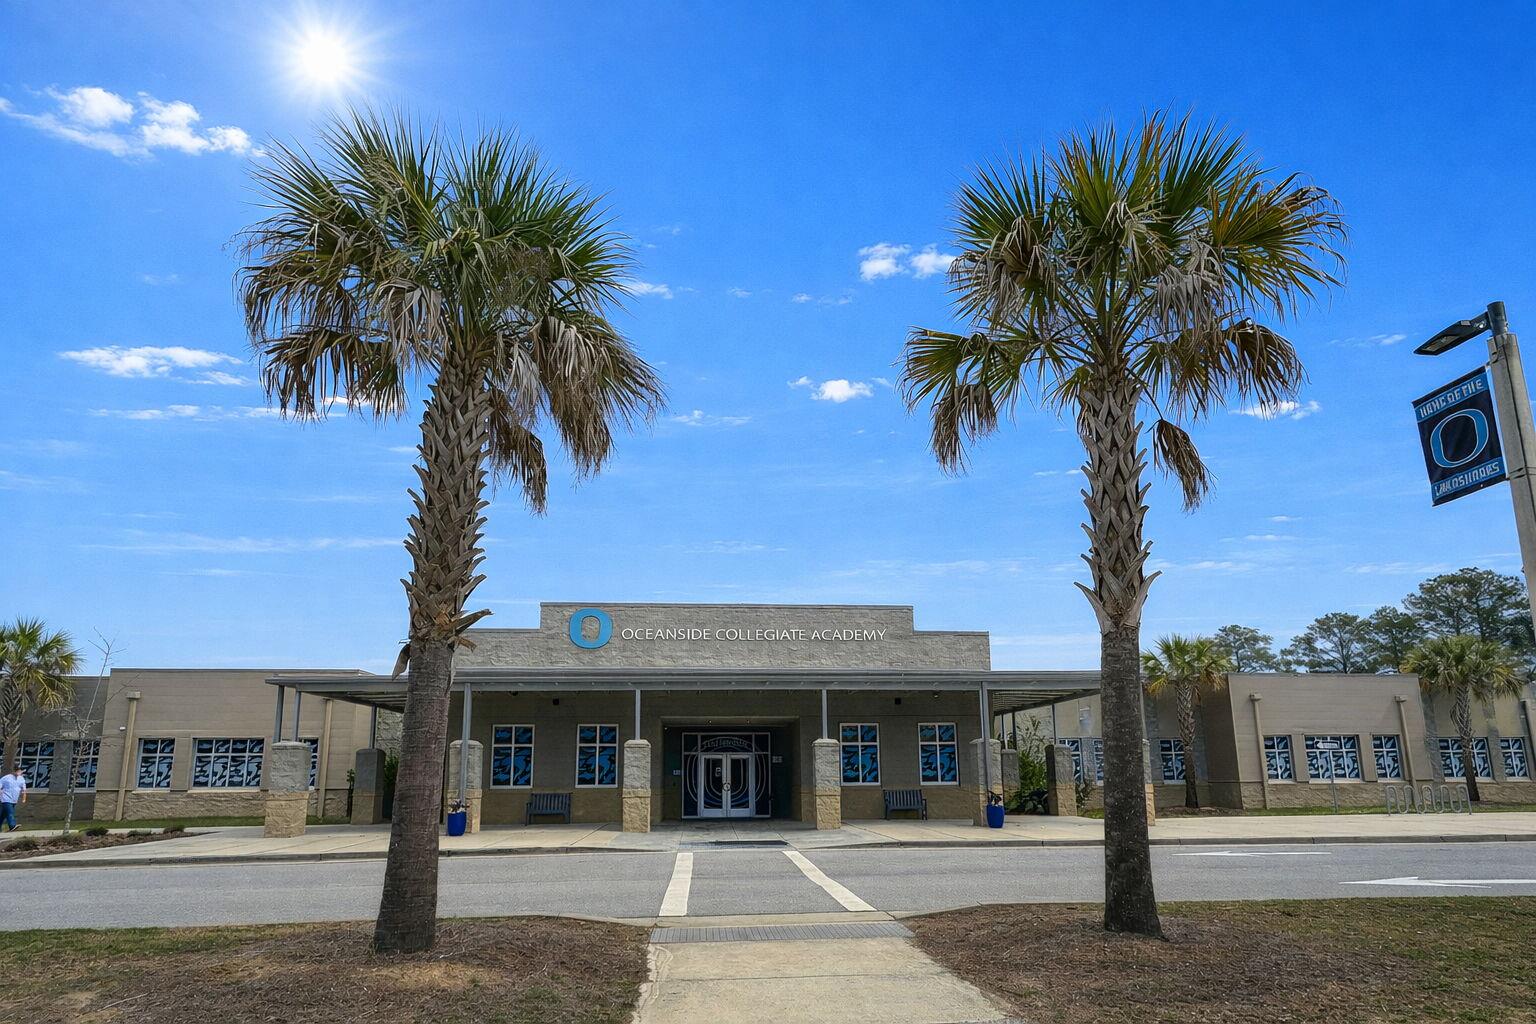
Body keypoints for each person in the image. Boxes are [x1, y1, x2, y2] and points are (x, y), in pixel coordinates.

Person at [0, 767, 25, 832]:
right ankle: (12, 826)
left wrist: (24, 797)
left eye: (19, 771)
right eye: (17, 771)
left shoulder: (21, 779)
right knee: (10, 812)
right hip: (5, 798)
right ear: (13, 771)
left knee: (2, 815)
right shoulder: (6, 778)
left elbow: (23, 789)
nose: (18, 773)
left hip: (14, 799)